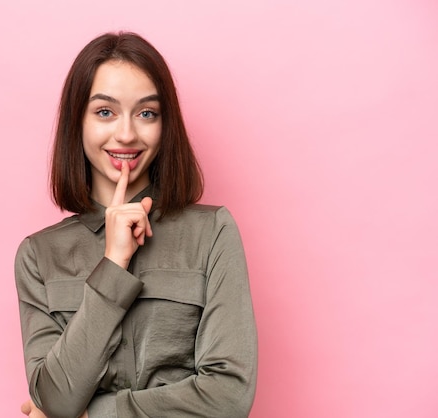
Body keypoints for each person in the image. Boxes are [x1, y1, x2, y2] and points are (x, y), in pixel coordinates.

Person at [15, 32, 257, 418]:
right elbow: (56, 400)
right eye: (105, 112)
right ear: (77, 122)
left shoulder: (212, 233)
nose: (126, 134)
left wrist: (98, 414)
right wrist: (113, 264)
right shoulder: (39, 256)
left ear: (166, 125)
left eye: (146, 113)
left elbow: (229, 396)